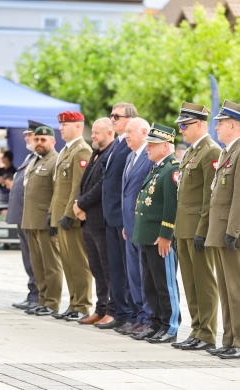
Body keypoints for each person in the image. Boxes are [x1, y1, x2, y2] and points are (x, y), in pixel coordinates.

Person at [172, 102, 220, 352]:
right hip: (184, 227)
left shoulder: (210, 151)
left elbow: (208, 197)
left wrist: (202, 230)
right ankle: (196, 330)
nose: (181, 130)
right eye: (181, 125)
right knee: (189, 283)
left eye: (185, 125)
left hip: (197, 228)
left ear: (200, 124)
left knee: (204, 282)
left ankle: (208, 333)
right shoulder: (191, 152)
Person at [132, 123, 181, 344]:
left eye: (153, 145)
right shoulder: (158, 168)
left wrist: (165, 235)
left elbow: (171, 206)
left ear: (166, 145)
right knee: (150, 283)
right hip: (147, 235)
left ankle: (170, 326)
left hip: (159, 238)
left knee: (165, 283)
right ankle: (156, 322)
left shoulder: (172, 169)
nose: (148, 148)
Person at [49, 111, 92, 321]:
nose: (61, 128)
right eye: (61, 125)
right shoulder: (66, 151)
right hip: (60, 215)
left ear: (78, 126)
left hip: (71, 217)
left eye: (65, 125)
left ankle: (83, 304)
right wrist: (52, 213)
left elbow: (78, 186)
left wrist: (68, 214)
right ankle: (74, 302)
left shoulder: (81, 151)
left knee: (78, 262)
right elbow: (58, 188)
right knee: (67, 262)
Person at [205, 99, 240, 359]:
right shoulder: (228, 152)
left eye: (221, 123)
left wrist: (234, 230)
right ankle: (229, 338)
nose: (216, 127)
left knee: (236, 290)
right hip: (220, 231)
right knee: (227, 290)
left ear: (234, 125)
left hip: (232, 232)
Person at [72, 117, 116, 325]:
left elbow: (101, 184)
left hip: (99, 218)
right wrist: (79, 203)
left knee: (107, 267)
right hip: (88, 219)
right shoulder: (96, 153)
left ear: (110, 133)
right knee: (95, 267)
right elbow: (85, 182)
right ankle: (100, 308)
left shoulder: (111, 153)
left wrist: (82, 204)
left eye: (97, 133)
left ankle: (112, 309)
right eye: (93, 132)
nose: (93, 136)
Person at [99, 102, 137, 330]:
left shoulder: (131, 146)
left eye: (117, 116)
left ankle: (131, 314)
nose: (112, 119)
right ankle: (121, 313)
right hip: (110, 215)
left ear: (130, 119)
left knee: (127, 270)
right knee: (115, 268)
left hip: (123, 216)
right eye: (111, 115)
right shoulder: (118, 144)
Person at [21, 125, 63, 316]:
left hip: (46, 221)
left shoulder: (55, 160)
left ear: (53, 142)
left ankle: (52, 302)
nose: (39, 143)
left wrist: (52, 217)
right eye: (36, 139)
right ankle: (42, 299)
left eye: (43, 140)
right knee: (37, 264)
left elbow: (57, 192)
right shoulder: (35, 161)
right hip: (31, 220)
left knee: (51, 264)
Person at [120, 117, 153, 336]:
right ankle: (139, 316)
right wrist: (125, 223)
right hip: (129, 226)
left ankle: (149, 319)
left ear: (144, 132)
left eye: (130, 131)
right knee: (133, 275)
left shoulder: (149, 157)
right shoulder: (131, 156)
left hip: (143, 227)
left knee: (145, 275)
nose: (126, 135)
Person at [8, 120, 43, 310]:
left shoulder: (42, 158)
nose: (26, 138)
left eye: (29, 135)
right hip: (22, 215)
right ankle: (33, 294)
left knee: (35, 258)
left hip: (32, 216)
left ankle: (38, 296)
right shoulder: (30, 157)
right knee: (28, 258)